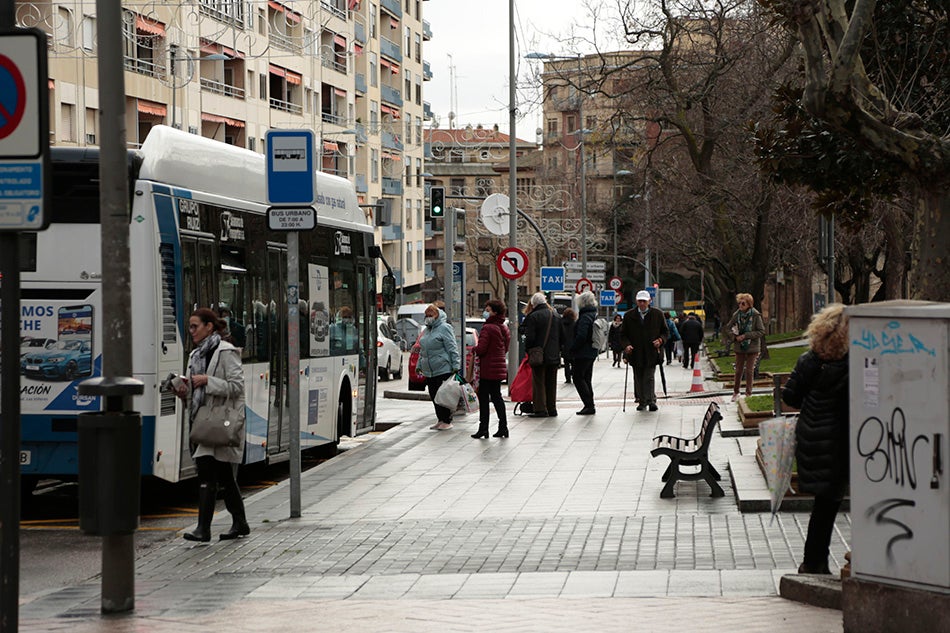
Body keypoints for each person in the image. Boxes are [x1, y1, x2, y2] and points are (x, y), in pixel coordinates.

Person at [781, 304, 850, 575]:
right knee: (828, 502)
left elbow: (791, 398)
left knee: (825, 502)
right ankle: (813, 563)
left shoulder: (809, 360)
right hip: (839, 439)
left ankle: (814, 562)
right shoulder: (852, 363)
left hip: (811, 436)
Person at [175, 307, 249, 542]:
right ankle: (239, 522)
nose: (192, 331)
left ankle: (204, 528)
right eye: (190, 327)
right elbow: (193, 392)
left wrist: (208, 381)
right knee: (223, 475)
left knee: (210, 472)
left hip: (220, 421)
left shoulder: (226, 351)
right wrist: (183, 391)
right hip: (203, 421)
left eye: (195, 326)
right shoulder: (194, 355)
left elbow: (237, 387)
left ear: (209, 327)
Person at [620, 290, 669, 411]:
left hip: (652, 351)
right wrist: (627, 345)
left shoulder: (657, 314)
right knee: (638, 377)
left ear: (649, 301)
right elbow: (623, 334)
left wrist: (660, 340)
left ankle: (651, 400)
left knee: (649, 376)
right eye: (640, 301)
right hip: (635, 352)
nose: (642, 304)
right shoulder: (629, 315)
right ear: (636, 301)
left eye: (644, 301)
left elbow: (665, 332)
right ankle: (642, 400)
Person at [418, 303, 460, 430]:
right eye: (426, 316)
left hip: (443, 368)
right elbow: (423, 350)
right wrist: (419, 365)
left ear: (436, 316)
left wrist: (455, 365)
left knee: (443, 395)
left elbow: (452, 347)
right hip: (429, 370)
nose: (428, 318)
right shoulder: (426, 330)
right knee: (434, 395)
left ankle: (447, 420)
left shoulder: (444, 328)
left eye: (430, 315)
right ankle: (440, 419)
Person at [472, 299, 510, 438]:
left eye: (488, 310)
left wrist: (475, 349)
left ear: (495, 312)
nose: (485, 313)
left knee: (483, 398)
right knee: (497, 397)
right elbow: (506, 347)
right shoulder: (503, 327)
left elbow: (481, 349)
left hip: (487, 368)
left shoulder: (488, 328)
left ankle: (483, 428)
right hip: (499, 368)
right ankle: (503, 427)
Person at [521, 292, 562, 418]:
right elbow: (562, 336)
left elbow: (530, 337)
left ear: (533, 304)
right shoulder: (555, 315)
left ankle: (540, 409)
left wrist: (529, 350)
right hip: (554, 355)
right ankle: (552, 408)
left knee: (539, 382)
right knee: (551, 382)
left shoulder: (533, 316)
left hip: (539, 354)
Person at [723, 293, 766, 401]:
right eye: (739, 303)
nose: (740, 306)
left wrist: (746, 336)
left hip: (752, 346)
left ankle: (748, 393)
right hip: (739, 346)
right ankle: (736, 392)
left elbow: (761, 331)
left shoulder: (755, 315)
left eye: (743, 303)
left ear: (749, 304)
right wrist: (734, 337)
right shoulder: (737, 315)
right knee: (738, 370)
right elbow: (728, 328)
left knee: (749, 370)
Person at [570, 291, 599, 415]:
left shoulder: (585, 316)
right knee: (586, 378)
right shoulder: (593, 314)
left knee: (577, 377)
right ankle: (589, 404)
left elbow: (581, 335)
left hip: (583, 352)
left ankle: (588, 404)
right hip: (591, 351)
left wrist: (573, 348)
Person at [560, 308, 577, 384]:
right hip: (573, 346)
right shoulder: (575, 324)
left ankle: (567, 378)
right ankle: (572, 374)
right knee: (573, 363)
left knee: (566, 363)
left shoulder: (561, 323)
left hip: (564, 346)